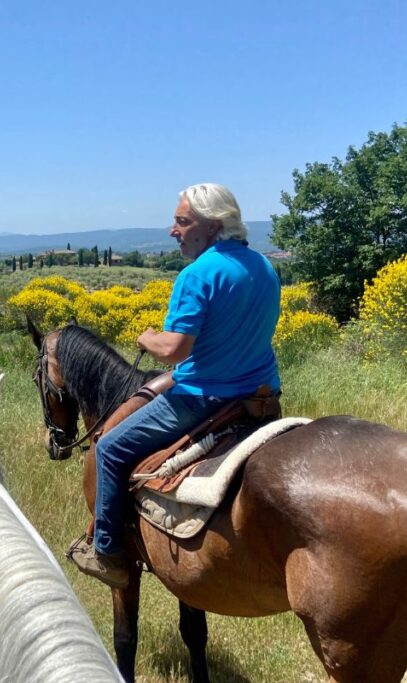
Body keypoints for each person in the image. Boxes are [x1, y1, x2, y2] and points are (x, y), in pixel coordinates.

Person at [69, 184, 281, 589]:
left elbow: (175, 351)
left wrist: (146, 337)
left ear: (213, 225)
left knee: (110, 448)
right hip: (261, 396)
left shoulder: (197, 274)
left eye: (183, 222)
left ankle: (107, 550)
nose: (173, 230)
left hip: (205, 397)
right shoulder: (264, 266)